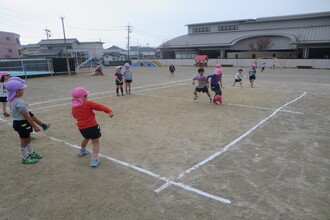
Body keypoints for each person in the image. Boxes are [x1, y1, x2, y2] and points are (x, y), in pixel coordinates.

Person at [71, 87, 114, 167]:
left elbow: (74, 116)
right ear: (83, 97)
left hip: (82, 128)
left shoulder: (74, 107)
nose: (87, 97)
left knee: (86, 138)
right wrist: (109, 111)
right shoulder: (88, 103)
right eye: (86, 95)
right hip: (92, 126)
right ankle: (94, 160)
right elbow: (99, 106)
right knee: (95, 142)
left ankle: (82, 150)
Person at [5, 80, 44, 164]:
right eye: (22, 89)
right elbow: (27, 116)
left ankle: (31, 153)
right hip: (22, 123)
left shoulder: (12, 100)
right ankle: (25, 158)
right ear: (17, 91)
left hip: (19, 123)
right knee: (24, 140)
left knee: (28, 138)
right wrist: (35, 126)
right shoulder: (19, 102)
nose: (23, 91)